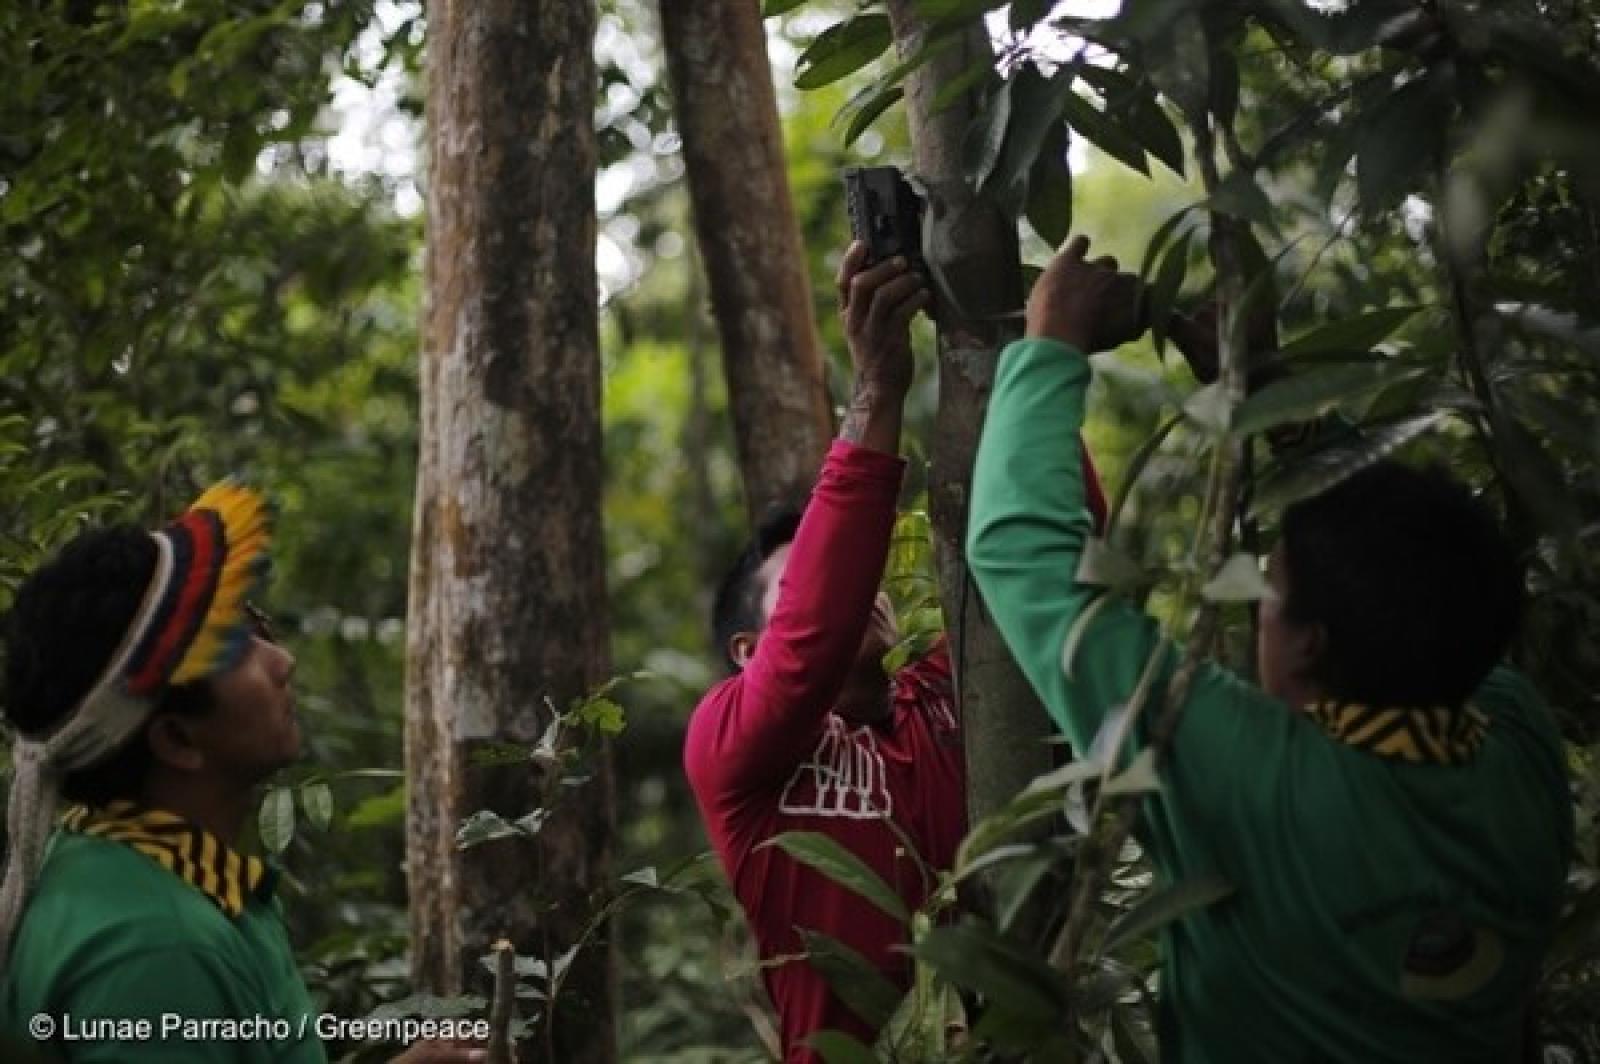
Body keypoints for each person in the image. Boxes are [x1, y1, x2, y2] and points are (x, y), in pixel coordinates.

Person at [966, 235, 1573, 1061]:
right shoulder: (1519, 751)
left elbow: (1025, 560)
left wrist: (1048, 346)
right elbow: (1420, 574)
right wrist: (1281, 402)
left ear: (1308, 646)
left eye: (1271, 591)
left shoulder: (1250, 779)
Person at [0, 483, 481, 1064]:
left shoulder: (123, 862)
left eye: (256, 627)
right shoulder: (159, 950)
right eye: (235, 649)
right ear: (177, 739)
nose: (283, 661)